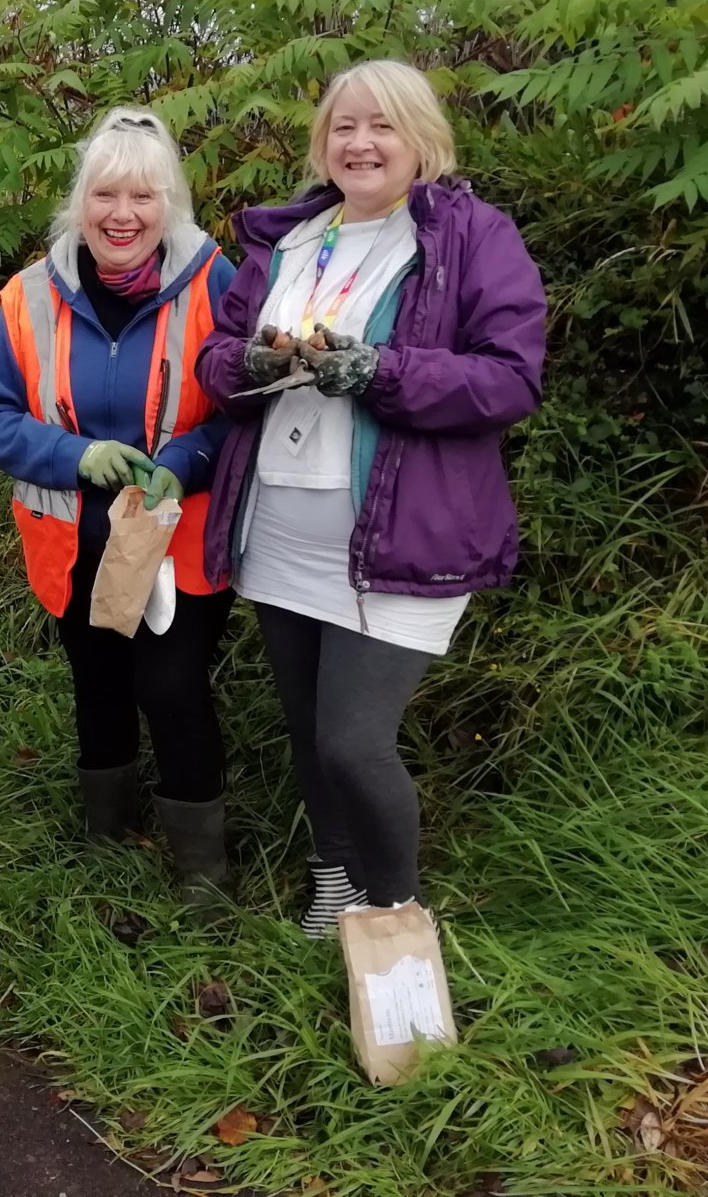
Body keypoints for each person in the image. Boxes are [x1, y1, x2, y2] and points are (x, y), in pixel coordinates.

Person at [194, 60, 547, 939]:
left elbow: (509, 380)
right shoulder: (290, 240)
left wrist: (380, 372)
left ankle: (395, 921)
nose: (361, 142)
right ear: (324, 142)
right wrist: (248, 365)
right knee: (313, 734)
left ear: (422, 136)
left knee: (355, 739)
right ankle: (333, 881)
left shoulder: (470, 235)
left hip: (401, 537)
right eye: (344, 126)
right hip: (279, 529)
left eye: (382, 125)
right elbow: (217, 358)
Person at [0, 108, 238, 908]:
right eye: (106, 194)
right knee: (98, 680)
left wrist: (186, 461)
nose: (124, 215)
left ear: (171, 205)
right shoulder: (29, 297)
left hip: (177, 538)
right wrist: (74, 456)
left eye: (144, 197)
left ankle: (202, 872)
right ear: (79, 203)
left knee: (173, 685)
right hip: (70, 537)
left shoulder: (219, 283)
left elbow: (243, 407)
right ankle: (107, 840)